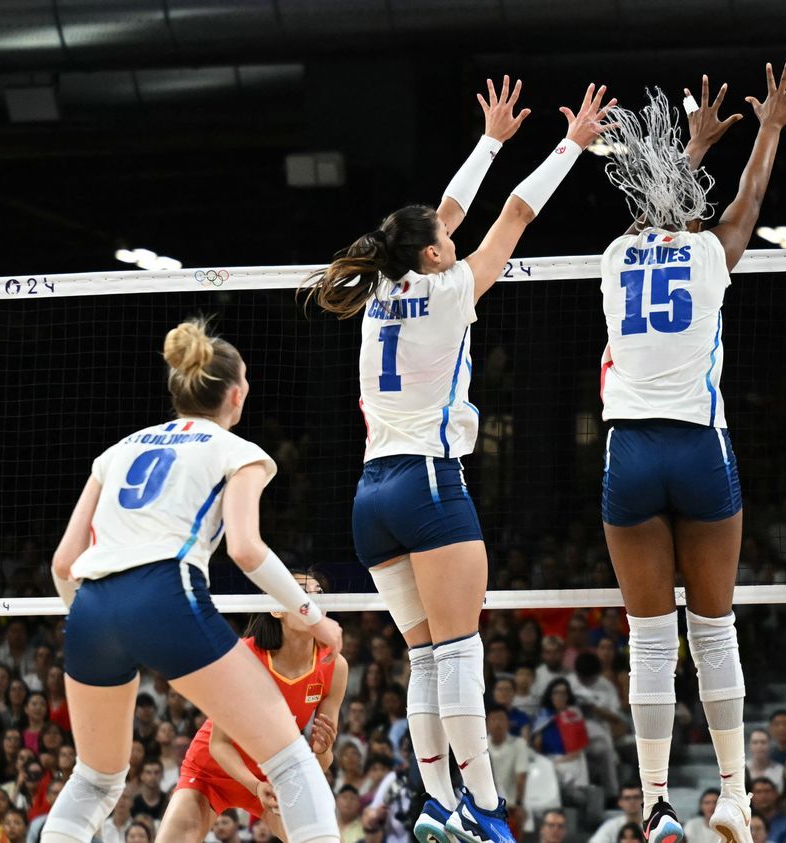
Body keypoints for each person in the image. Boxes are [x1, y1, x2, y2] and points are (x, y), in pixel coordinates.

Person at [306, 76, 614, 843]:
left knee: (425, 657)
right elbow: (513, 212)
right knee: (460, 650)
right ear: (435, 253)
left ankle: (438, 802)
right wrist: (570, 145)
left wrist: (490, 143)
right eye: (444, 237)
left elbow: (441, 215)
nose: (452, 236)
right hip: (428, 482)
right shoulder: (452, 290)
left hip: (369, 495)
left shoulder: (380, 283)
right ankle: (484, 804)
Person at [593, 61, 786, 843]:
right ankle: (733, 797)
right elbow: (745, 203)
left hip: (630, 451)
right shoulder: (712, 255)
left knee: (649, 637)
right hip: (697, 446)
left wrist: (686, 150)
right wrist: (771, 129)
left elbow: (662, 208)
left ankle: (655, 804)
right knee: (712, 627)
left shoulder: (617, 261)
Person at [46, 318, 344, 843]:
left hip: (91, 608)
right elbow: (247, 550)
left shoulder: (117, 450)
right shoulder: (239, 451)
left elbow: (63, 564)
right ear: (236, 393)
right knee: (292, 762)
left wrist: (98, 623)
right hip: (166, 594)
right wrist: (314, 616)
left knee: (95, 779)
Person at [156, 572, 347, 843]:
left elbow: (322, 762)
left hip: (276, 776)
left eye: (319, 592)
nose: (314, 599)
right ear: (276, 609)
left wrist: (324, 749)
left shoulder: (334, 665)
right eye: (302, 592)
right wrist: (255, 786)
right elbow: (219, 745)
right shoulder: (244, 658)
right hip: (212, 772)